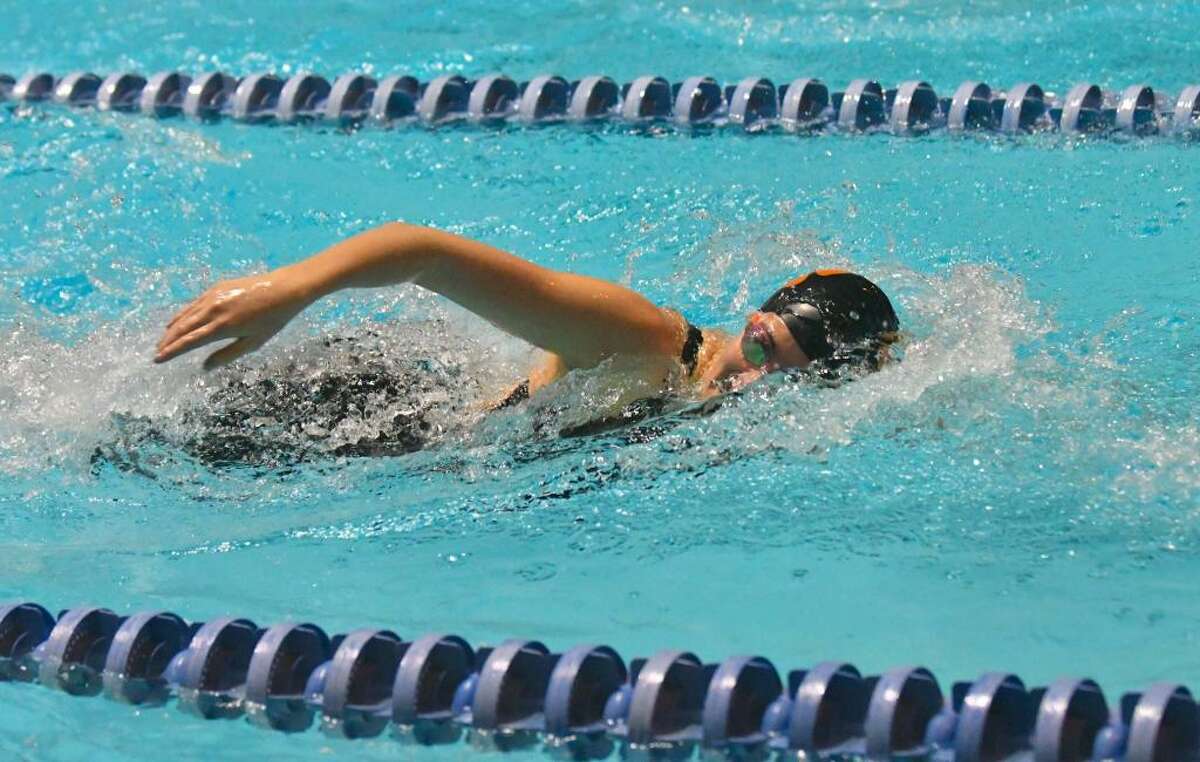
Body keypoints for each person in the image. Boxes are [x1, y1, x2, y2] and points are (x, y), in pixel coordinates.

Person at [154, 222, 900, 418]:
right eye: (762, 345)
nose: (752, 378)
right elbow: (421, 252)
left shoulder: (697, 397)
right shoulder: (642, 339)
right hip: (360, 407)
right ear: (753, 314)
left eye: (784, 381)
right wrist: (292, 288)